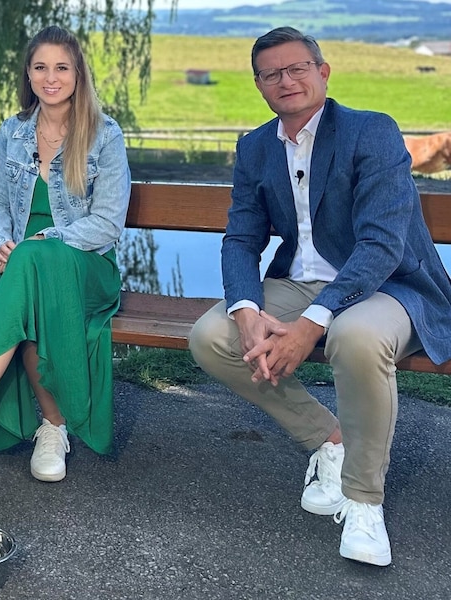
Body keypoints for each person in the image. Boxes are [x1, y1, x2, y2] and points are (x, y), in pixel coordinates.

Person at [189, 26, 451, 567]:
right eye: (272, 74)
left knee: (353, 338)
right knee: (211, 336)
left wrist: (312, 322)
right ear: (259, 85)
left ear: (322, 72)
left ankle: (363, 501)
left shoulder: (371, 132)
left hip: (386, 285)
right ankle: (330, 441)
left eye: (297, 68)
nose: (286, 81)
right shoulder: (256, 146)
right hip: (298, 281)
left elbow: (382, 245)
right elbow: (241, 238)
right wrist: (245, 310)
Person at [0, 25, 131, 482]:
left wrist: (42, 240)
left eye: (61, 67)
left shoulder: (105, 135)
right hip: (17, 266)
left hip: (85, 265)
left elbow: (108, 224)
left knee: (31, 265)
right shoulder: (13, 133)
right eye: (40, 67)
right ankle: (54, 428)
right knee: (26, 285)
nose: (50, 77)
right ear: (28, 75)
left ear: (78, 73)